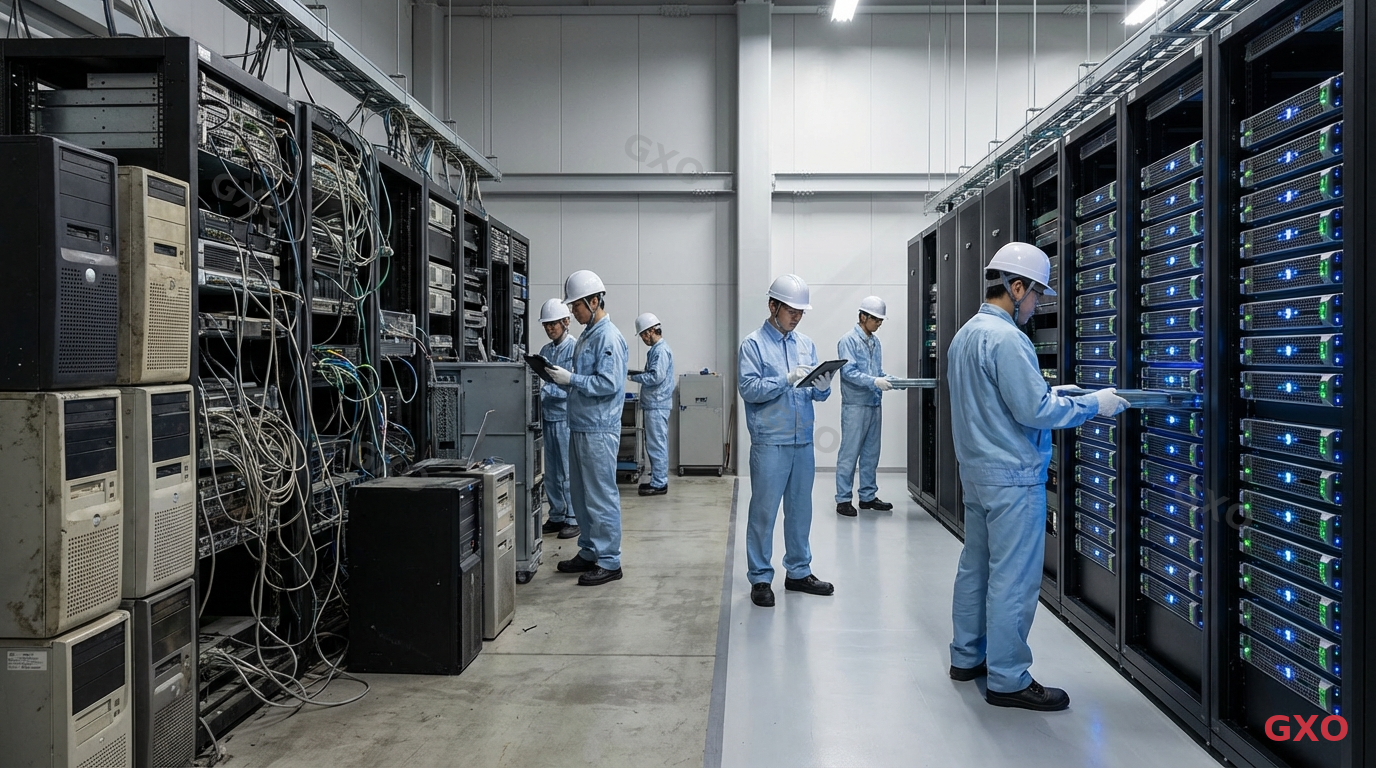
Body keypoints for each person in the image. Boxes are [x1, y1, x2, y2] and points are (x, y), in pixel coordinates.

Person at [946, 242, 1129, 710]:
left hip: (978, 475)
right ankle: (1007, 679)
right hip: (1012, 479)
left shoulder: (965, 335)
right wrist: (1094, 404)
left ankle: (966, 657)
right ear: (1016, 286)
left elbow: (997, 399)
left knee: (977, 568)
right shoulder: (1007, 338)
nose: (1036, 305)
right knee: (1013, 579)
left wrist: (1055, 391)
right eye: (1035, 296)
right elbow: (1035, 410)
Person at [738, 274, 836, 608]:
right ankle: (761, 577)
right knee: (764, 512)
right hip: (770, 441)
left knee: (800, 510)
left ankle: (798, 571)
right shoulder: (752, 345)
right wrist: (784, 379)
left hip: (802, 441)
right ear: (773, 305)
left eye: (800, 312)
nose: (795, 316)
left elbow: (817, 393)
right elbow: (749, 389)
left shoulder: (805, 344)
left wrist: (822, 385)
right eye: (791, 310)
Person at [545, 270, 629, 586]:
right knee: (580, 496)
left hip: (598, 429)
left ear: (594, 301)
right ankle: (590, 551)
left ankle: (610, 561)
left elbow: (609, 383)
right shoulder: (588, 334)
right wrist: (561, 380)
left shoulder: (608, 337)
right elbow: (585, 382)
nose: (572, 313)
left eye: (576, 306)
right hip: (580, 425)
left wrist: (572, 379)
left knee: (600, 496)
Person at [835, 296, 895, 518]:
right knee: (849, 454)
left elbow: (876, 372)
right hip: (855, 406)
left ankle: (868, 496)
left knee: (871, 454)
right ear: (863, 316)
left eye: (881, 320)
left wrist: (891, 380)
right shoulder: (848, 341)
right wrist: (874, 382)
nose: (879, 323)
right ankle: (843, 499)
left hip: (873, 403)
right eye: (876, 319)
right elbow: (848, 373)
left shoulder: (874, 342)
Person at [537, 298, 579, 539]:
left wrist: (546, 391)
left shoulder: (574, 348)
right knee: (551, 471)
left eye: (553, 324)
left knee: (567, 470)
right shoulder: (546, 351)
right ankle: (556, 515)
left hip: (565, 418)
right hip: (548, 417)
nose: (550, 328)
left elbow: (571, 384)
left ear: (566, 321)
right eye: (546, 325)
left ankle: (573, 517)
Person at [630, 313, 675, 496]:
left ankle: (659, 483)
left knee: (657, 445)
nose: (642, 339)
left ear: (650, 331)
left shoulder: (660, 350)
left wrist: (634, 377)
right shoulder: (657, 350)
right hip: (655, 404)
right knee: (656, 444)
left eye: (642, 335)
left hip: (657, 404)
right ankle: (658, 478)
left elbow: (656, 377)